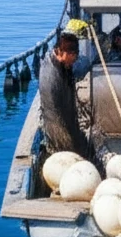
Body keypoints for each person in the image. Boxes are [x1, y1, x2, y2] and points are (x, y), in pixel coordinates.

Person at [38, 21, 92, 158]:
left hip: (69, 117)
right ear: (63, 52)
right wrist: (70, 148)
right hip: (58, 131)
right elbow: (54, 117)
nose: (74, 61)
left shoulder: (63, 65)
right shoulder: (51, 77)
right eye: (73, 58)